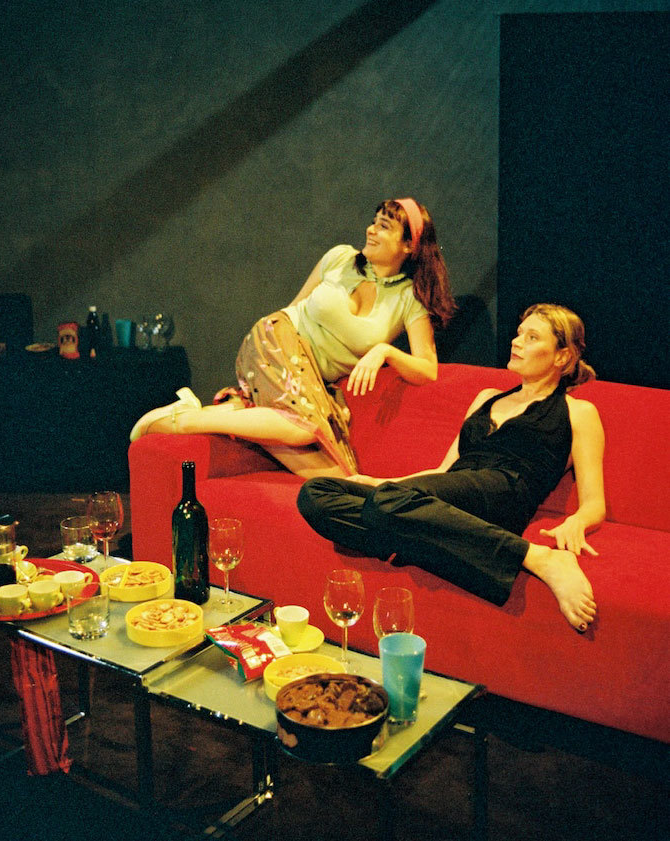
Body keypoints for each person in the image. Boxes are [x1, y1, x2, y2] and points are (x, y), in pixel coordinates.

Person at [297, 304, 606, 632]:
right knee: (316, 494)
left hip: (504, 493)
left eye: (532, 337)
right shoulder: (487, 397)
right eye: (519, 334)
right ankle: (422, 538)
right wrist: (384, 482)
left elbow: (594, 503)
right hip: (456, 490)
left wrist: (577, 521)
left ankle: (537, 557)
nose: (516, 342)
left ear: (562, 356)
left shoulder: (579, 413)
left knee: (385, 503)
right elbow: (445, 471)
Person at [130, 198, 455, 477]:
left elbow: (428, 368)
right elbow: (293, 308)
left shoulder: (408, 298)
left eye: (384, 226)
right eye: (373, 222)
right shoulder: (340, 258)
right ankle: (186, 421)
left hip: (312, 378)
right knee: (301, 427)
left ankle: (210, 412)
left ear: (409, 245)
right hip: (278, 338)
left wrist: (386, 351)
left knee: (341, 471)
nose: (371, 230)